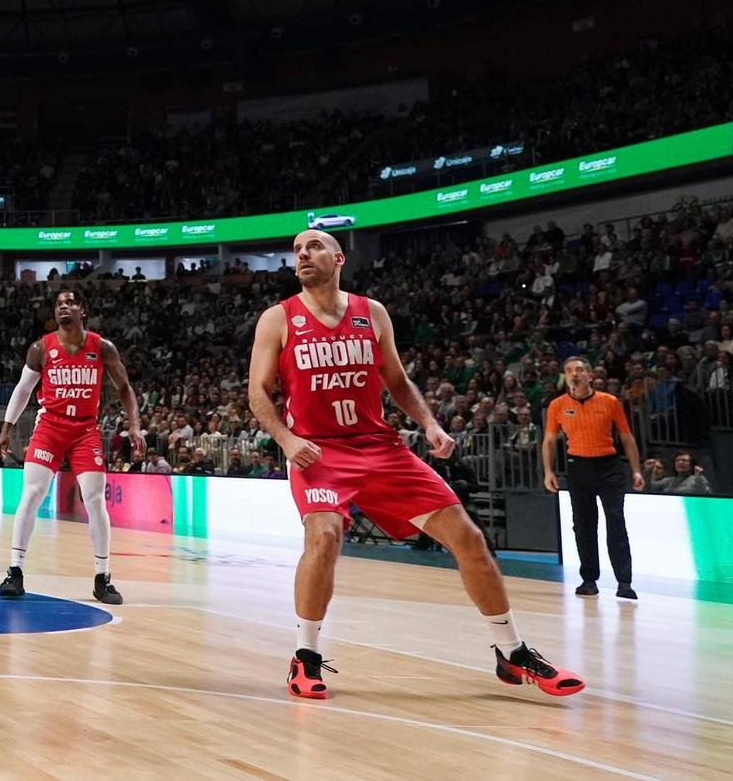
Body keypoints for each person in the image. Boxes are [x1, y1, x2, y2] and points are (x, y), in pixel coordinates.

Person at [248, 229, 582, 701]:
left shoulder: (372, 313)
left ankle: (512, 652)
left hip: (381, 449)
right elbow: (257, 392)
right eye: (297, 250)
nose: (303, 254)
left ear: (339, 257)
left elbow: (398, 381)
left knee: (468, 537)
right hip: (318, 451)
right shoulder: (278, 318)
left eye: (314, 246)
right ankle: (305, 657)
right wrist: (285, 438)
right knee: (323, 537)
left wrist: (429, 424)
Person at [0, 287, 144, 604]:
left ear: (82, 310)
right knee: (32, 493)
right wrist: (6, 428)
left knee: (94, 499)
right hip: (50, 426)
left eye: (70, 302)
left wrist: (135, 426)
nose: (64, 307)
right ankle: (15, 570)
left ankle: (102, 578)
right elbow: (22, 391)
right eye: (59, 303)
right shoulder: (40, 348)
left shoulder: (101, 347)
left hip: (85, 430)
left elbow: (125, 388)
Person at [543, 356, 642, 598]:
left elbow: (626, 437)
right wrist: (548, 471)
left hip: (608, 466)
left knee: (615, 519)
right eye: (568, 370)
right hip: (578, 467)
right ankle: (589, 579)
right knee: (583, 524)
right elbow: (548, 441)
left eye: (578, 370)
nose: (574, 374)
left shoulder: (609, 401)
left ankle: (624, 582)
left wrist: (636, 470)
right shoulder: (557, 405)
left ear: (590, 376)